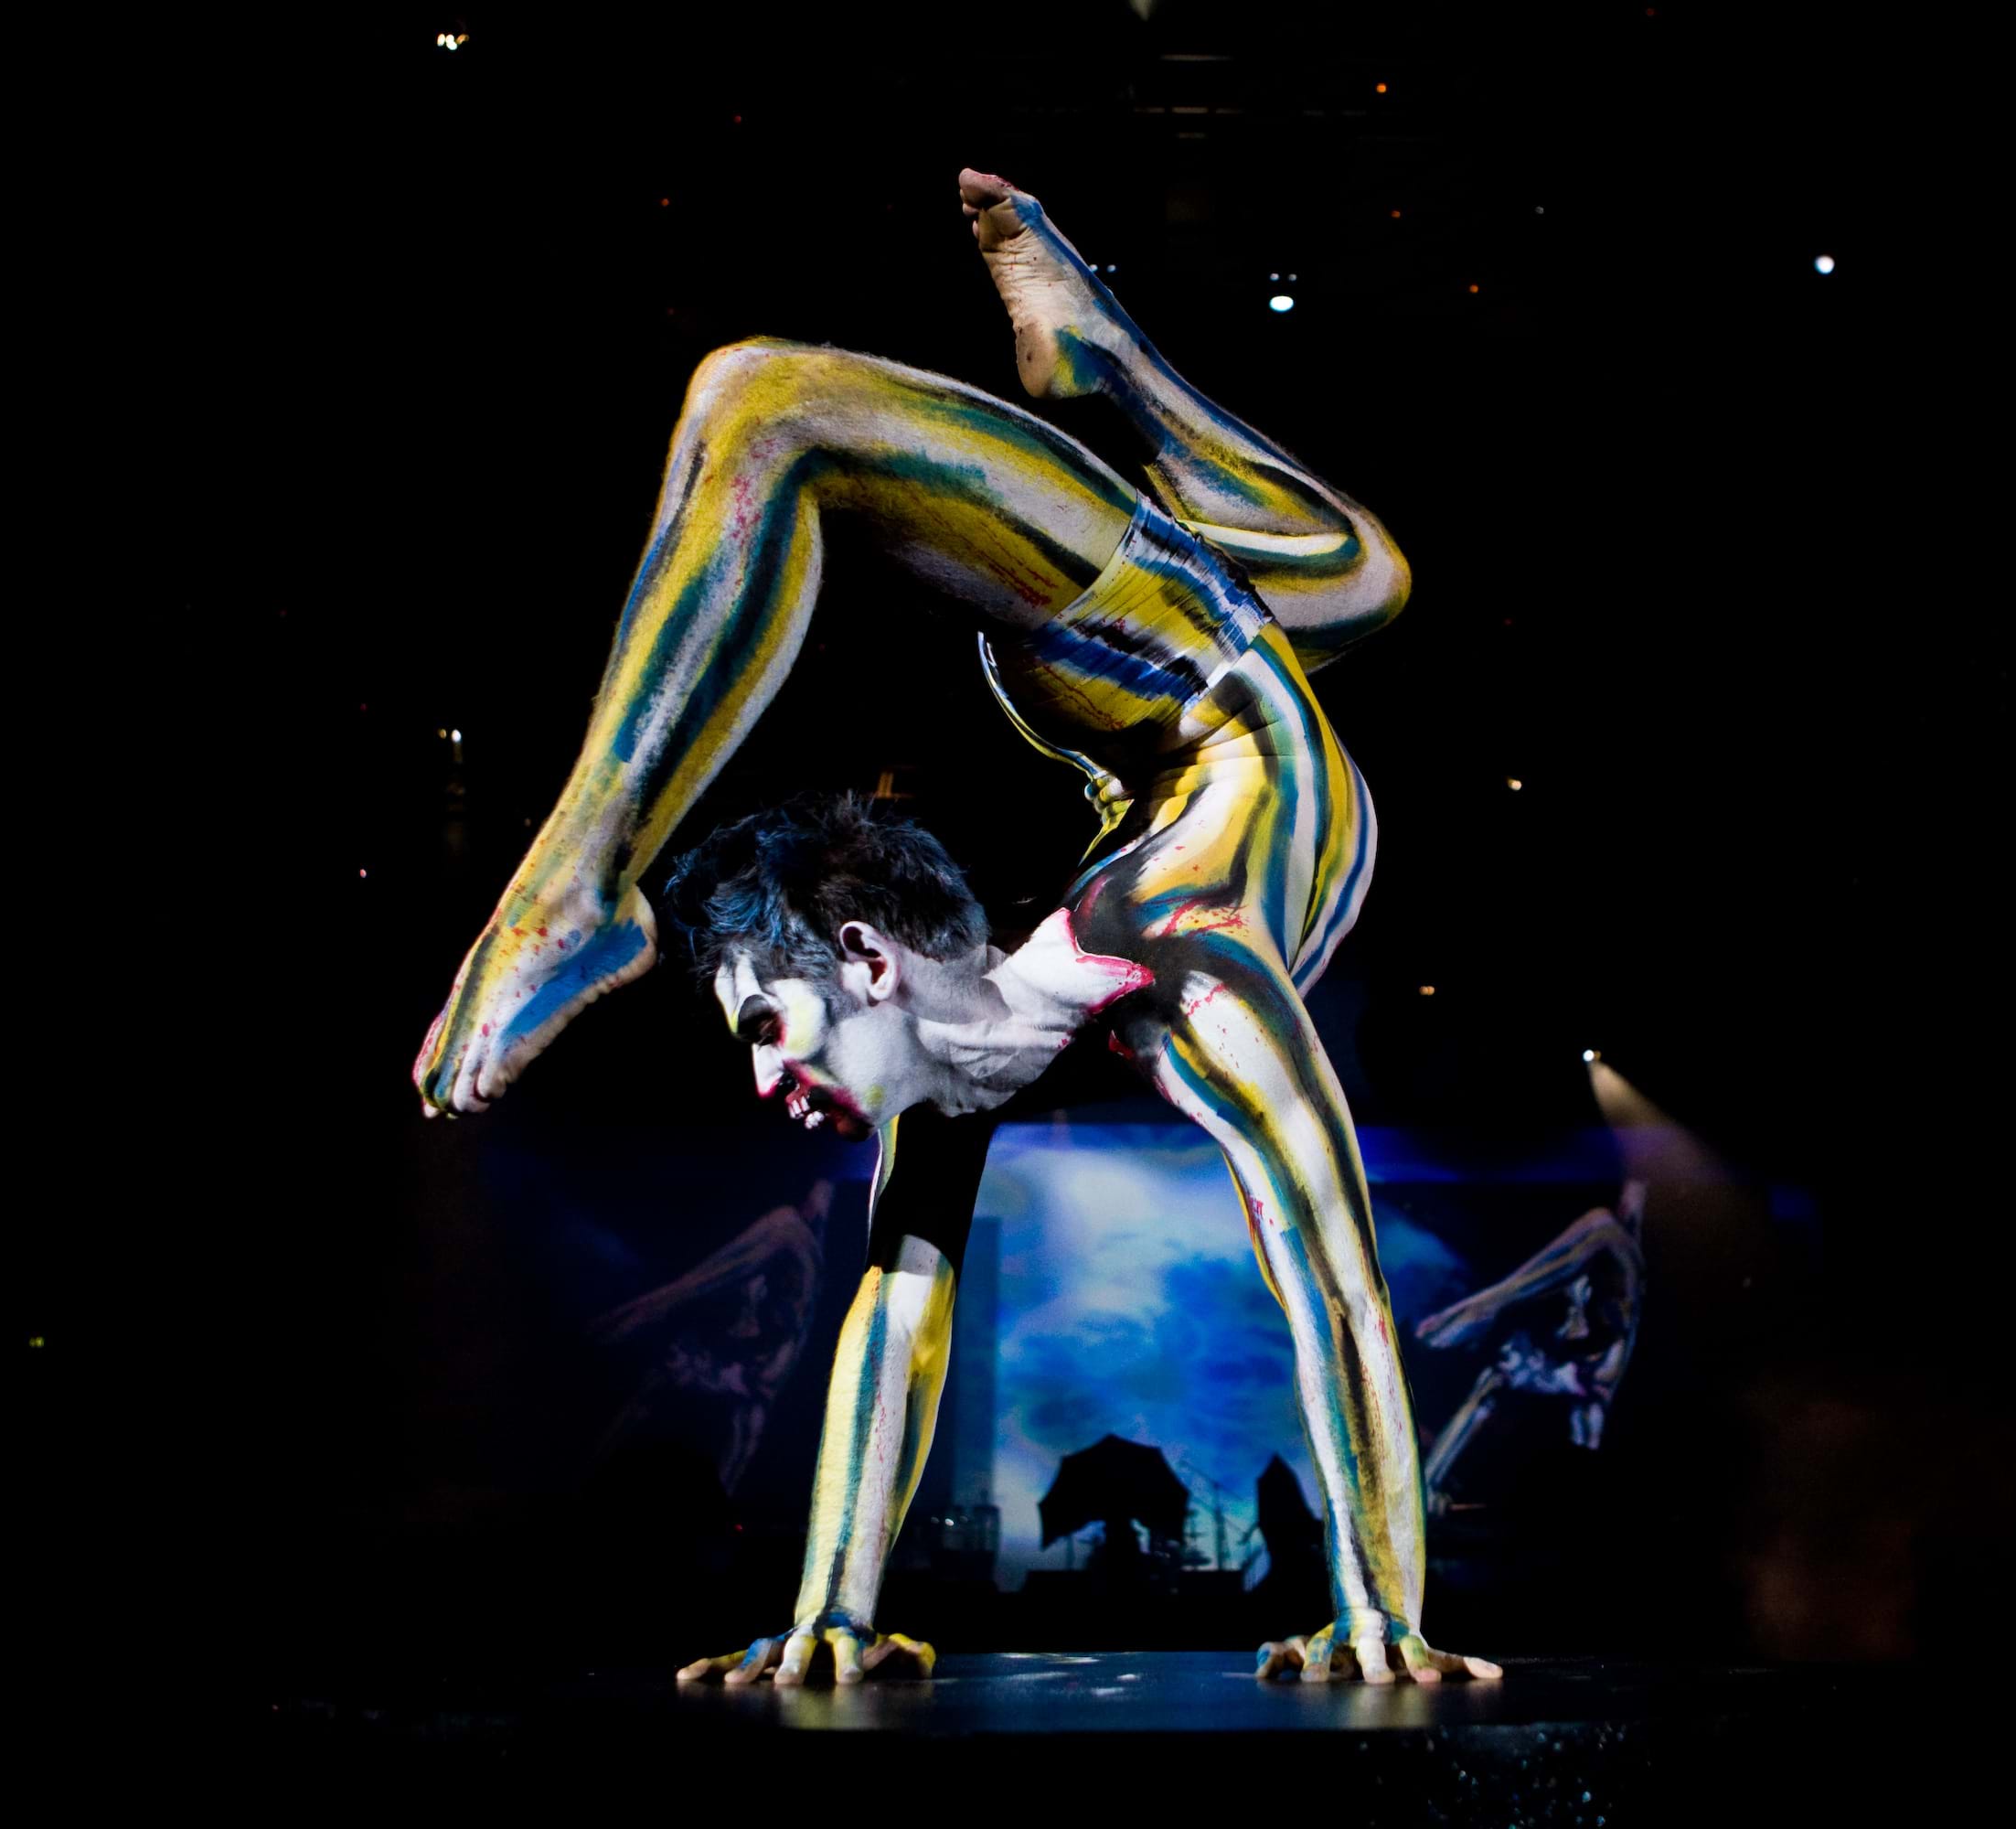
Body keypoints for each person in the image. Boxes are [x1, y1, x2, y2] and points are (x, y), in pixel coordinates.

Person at [411, 169, 1492, 1688]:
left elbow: (1332, 1276)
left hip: (1177, 685)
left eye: (766, 1028)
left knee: (765, 405)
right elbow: (898, 1312)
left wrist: (1381, 1605)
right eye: (759, 1034)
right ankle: (1104, 356)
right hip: (1186, 697)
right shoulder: (1123, 983)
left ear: (872, 964)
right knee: (1361, 576)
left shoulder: (1172, 963)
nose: (765, 1082)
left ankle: (578, 879)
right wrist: (833, 1614)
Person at [1413, 1181, 1649, 1514]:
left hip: (1576, 1353)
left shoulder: (1596, 1373)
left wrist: (1484, 1305)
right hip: (1572, 1338)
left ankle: (1485, 1309)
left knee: (1605, 1230)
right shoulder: (1607, 1263)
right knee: (1606, 1231)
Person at [587, 1179, 831, 1493]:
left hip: (750, 1367)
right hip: (739, 1357)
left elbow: (706, 1280)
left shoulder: (789, 1233)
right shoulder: (793, 1243)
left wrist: (642, 1313)